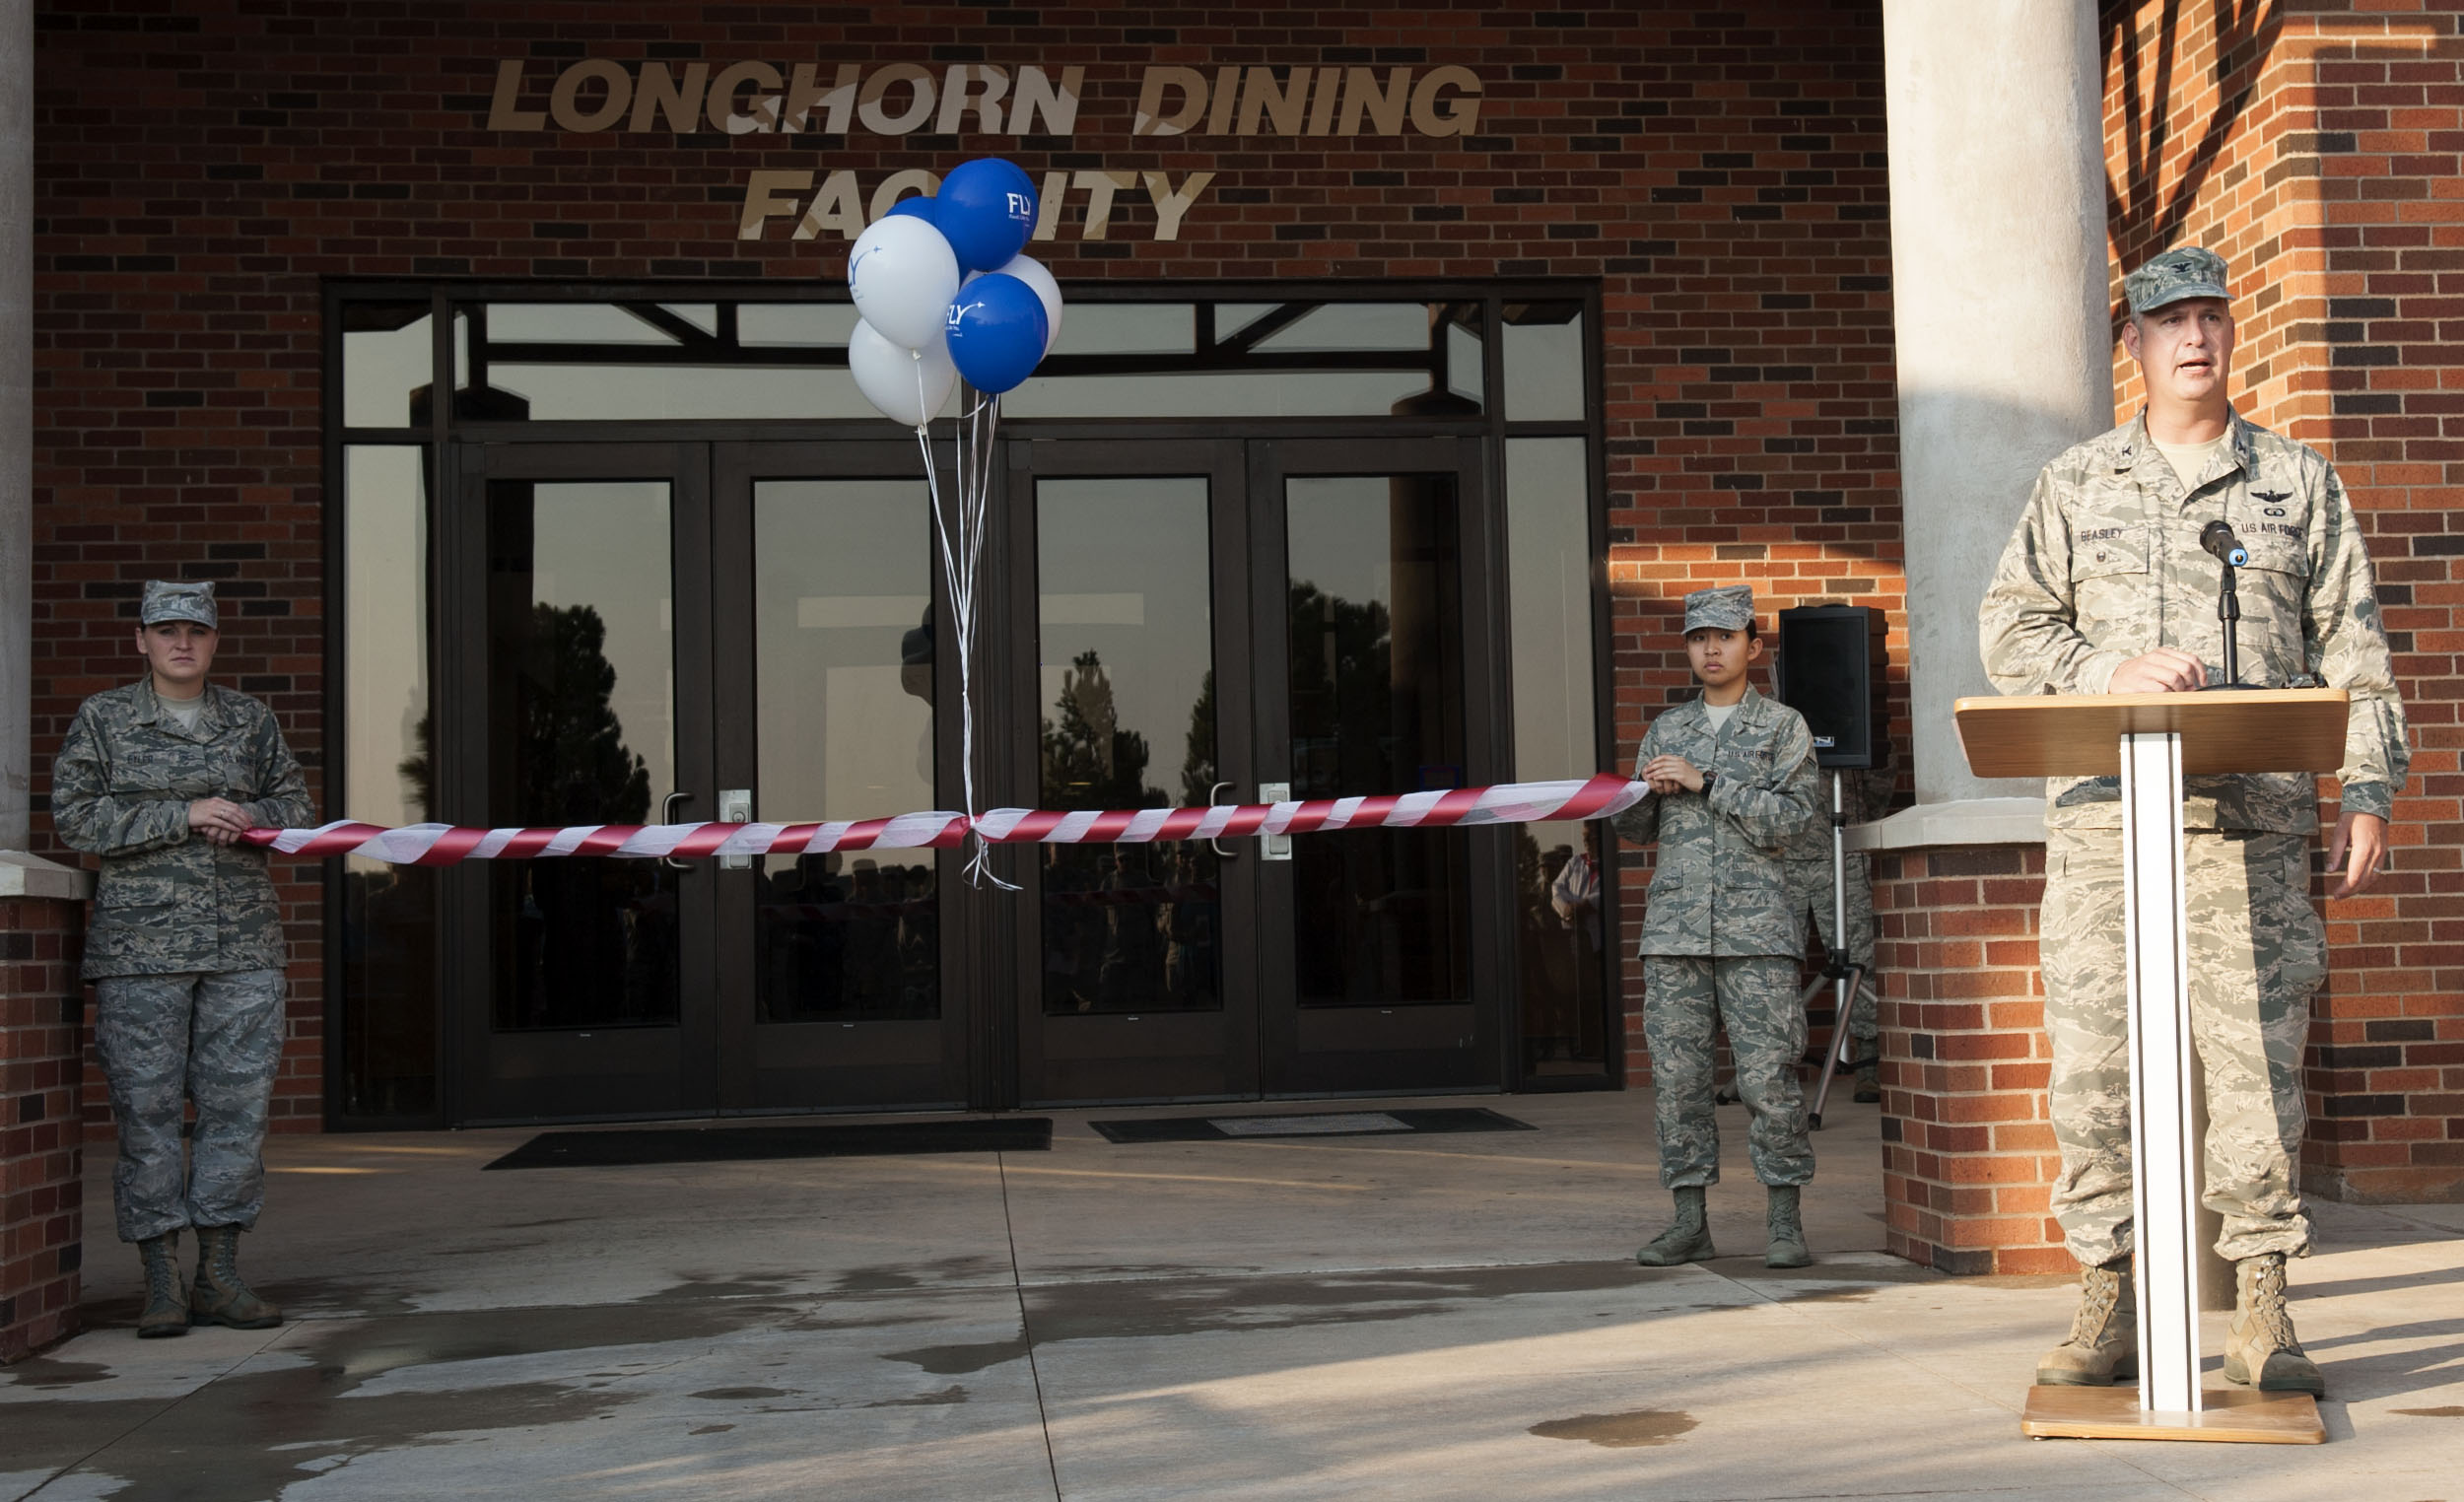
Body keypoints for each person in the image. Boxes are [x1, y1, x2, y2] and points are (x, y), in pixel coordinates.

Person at [1979, 246, 2408, 1398]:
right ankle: (2105, 1292)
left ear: (2230, 333)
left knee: (2257, 1072)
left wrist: (2365, 787)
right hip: (2107, 831)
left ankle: (2263, 1304)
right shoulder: (2076, 482)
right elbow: (2011, 633)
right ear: (2134, 343)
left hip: (2250, 831)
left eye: (2210, 316)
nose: (2193, 339)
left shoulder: (2296, 483)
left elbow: (2352, 647)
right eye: (2168, 321)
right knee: (2091, 1071)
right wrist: (2106, 666)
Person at [50, 580, 314, 1338]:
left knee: (237, 1113)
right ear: (141, 640)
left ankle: (219, 1276)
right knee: (149, 1116)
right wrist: (185, 814)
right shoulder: (104, 719)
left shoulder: (250, 720)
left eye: (195, 632)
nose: (181, 643)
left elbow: (295, 807)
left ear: (213, 641)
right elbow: (76, 818)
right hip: (141, 953)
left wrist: (252, 816)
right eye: (165, 630)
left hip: (243, 949)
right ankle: (161, 1282)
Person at [1614, 584, 1822, 1268]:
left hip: (1757, 933)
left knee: (1768, 1080)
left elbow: (1792, 822)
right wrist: (1642, 793)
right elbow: (1637, 829)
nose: (1711, 648)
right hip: (1675, 935)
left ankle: (1785, 1222)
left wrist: (1708, 783)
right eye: (1699, 637)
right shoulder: (1667, 729)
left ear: (1753, 647)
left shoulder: (1784, 728)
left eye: (1725, 636)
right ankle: (1688, 1220)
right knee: (1679, 1083)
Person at [1779, 765, 1889, 1102]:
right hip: (1782, 853)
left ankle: (1868, 1064)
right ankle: (1769, 1067)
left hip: (1844, 853)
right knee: (1773, 964)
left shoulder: (1850, 718)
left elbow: (1880, 778)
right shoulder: (1773, 721)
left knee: (1860, 959)